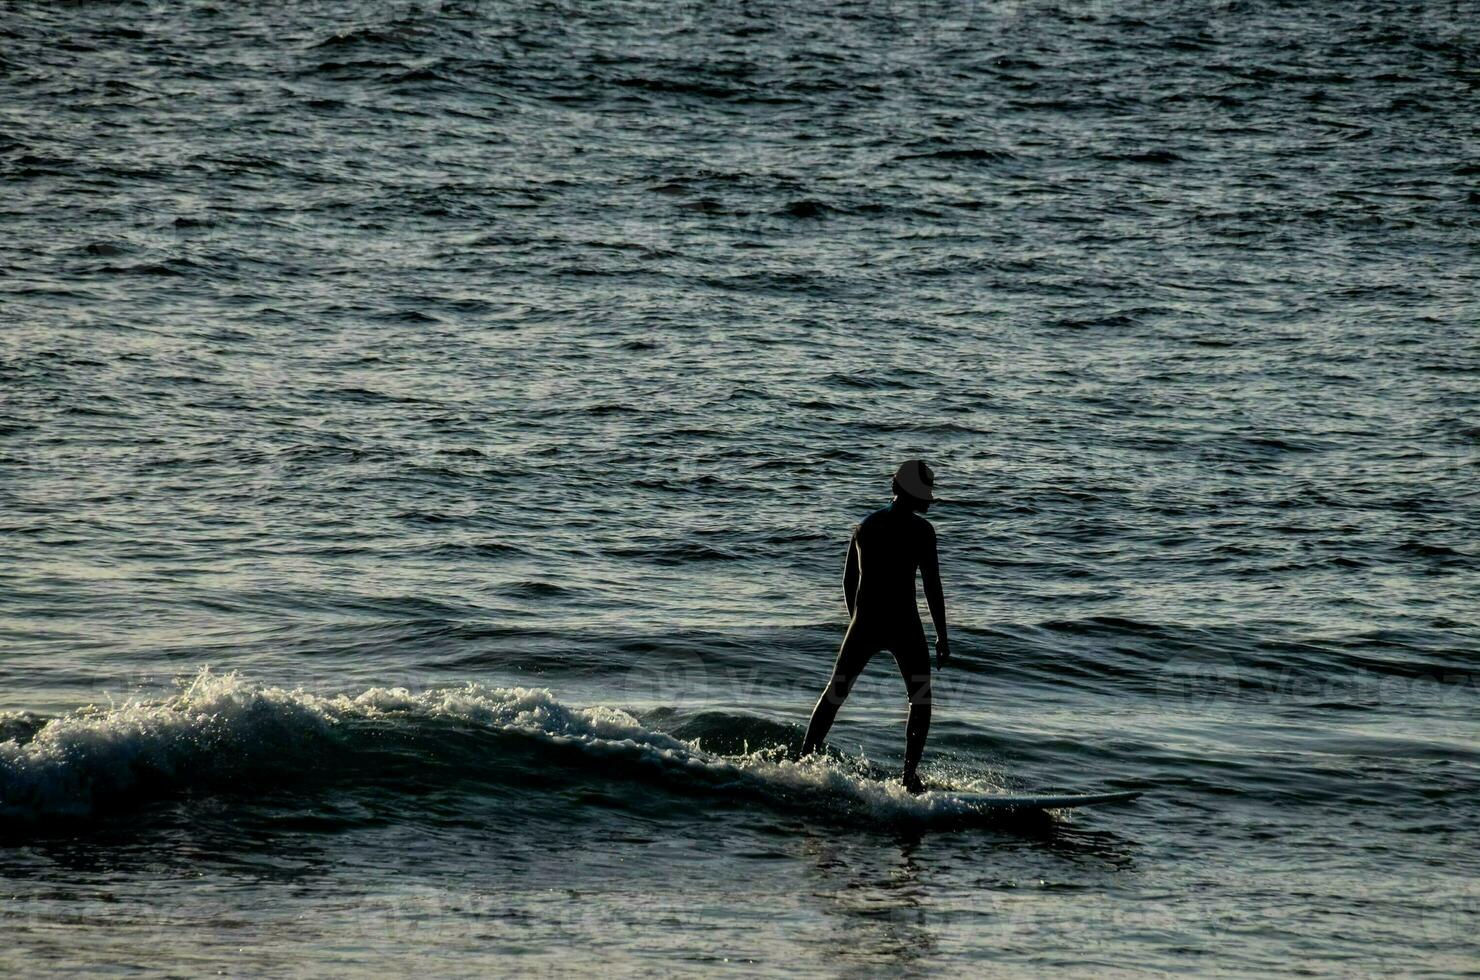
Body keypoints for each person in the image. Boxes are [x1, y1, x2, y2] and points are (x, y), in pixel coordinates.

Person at [801, 459, 950, 794]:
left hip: (865, 621)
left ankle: (804, 759)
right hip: (905, 624)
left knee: (835, 693)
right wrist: (941, 635)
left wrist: (858, 619)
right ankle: (909, 777)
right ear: (913, 493)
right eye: (926, 493)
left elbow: (848, 580)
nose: (929, 500)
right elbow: (932, 586)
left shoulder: (865, 527)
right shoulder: (922, 533)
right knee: (921, 698)